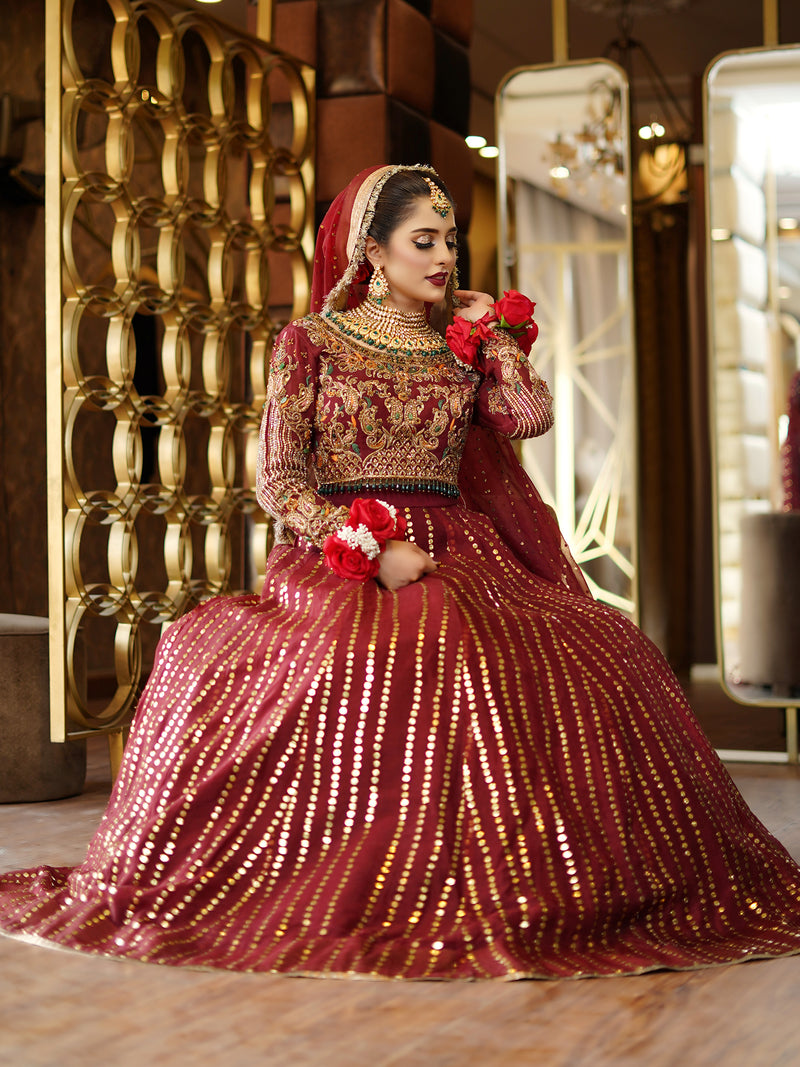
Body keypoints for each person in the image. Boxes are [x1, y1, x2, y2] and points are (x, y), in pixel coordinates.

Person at [2, 163, 800, 980]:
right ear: (373, 253)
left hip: (464, 548)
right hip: (337, 548)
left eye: (451, 239)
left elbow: (530, 418)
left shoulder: (459, 349)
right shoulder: (311, 342)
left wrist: (493, 338)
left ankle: (523, 885)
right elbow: (277, 481)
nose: (445, 255)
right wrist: (370, 550)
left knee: (596, 649)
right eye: (424, 240)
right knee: (320, 653)